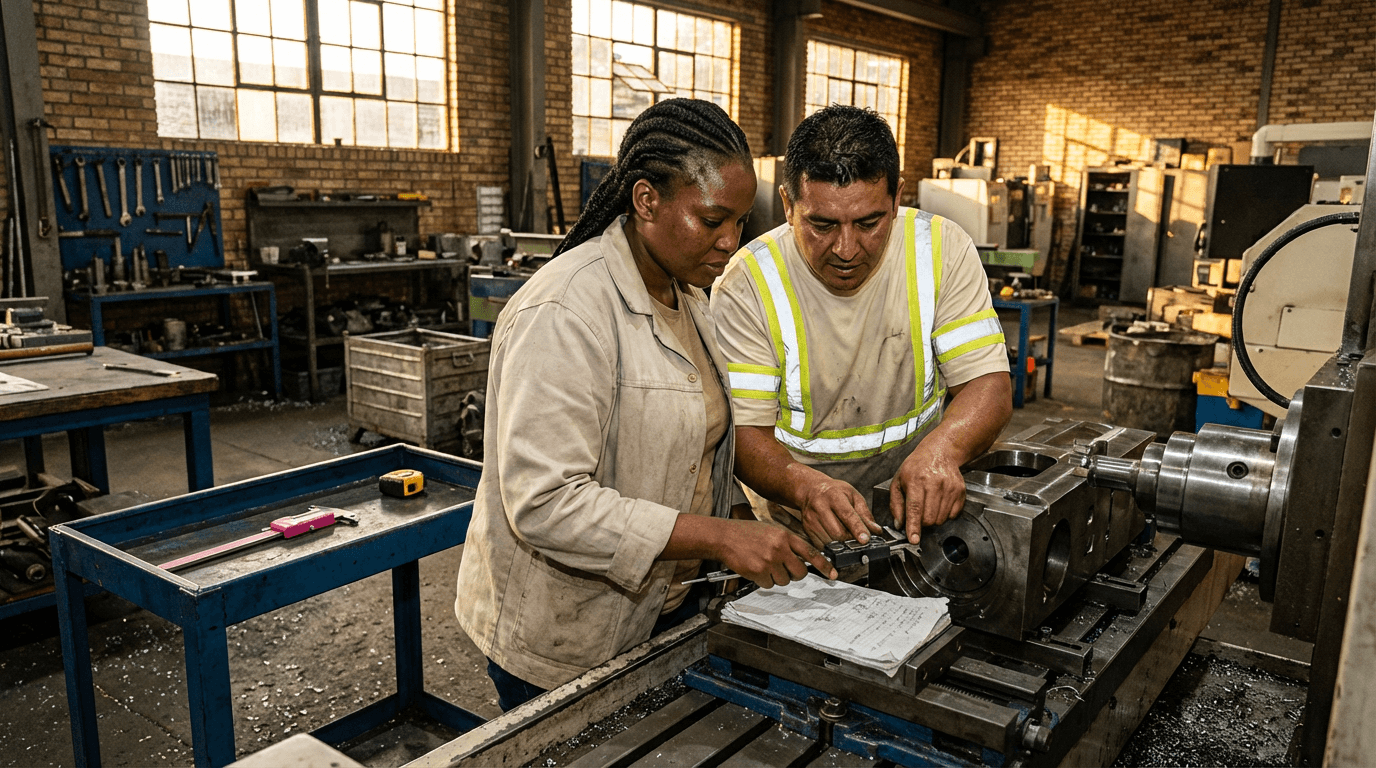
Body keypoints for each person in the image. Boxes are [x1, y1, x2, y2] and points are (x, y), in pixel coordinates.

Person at [455, 99, 835, 713]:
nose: (729, 242)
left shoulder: (689, 299)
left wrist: (755, 522)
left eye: (739, 222)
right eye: (712, 219)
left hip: (659, 613)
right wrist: (721, 538)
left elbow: (696, 445)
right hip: (561, 638)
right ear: (646, 199)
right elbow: (544, 503)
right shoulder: (565, 313)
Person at [711, 105, 1012, 550]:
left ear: (897, 199)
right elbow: (743, 434)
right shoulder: (749, 284)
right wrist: (804, 488)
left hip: (915, 512)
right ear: (788, 205)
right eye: (822, 224)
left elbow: (989, 384)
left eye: (870, 223)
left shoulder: (940, 250)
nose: (847, 249)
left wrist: (943, 449)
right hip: (800, 523)